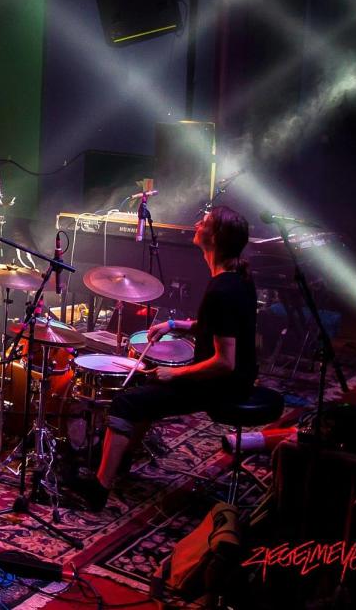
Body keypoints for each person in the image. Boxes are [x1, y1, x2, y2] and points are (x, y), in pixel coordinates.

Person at [78, 206, 258, 511]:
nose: (197, 224)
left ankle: (98, 489)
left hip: (223, 384)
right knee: (147, 390)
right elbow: (220, 326)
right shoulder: (234, 279)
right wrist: (175, 325)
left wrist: (174, 375)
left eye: (205, 223)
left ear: (215, 238)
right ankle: (119, 462)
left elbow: (224, 362)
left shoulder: (223, 289)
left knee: (127, 401)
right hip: (236, 377)